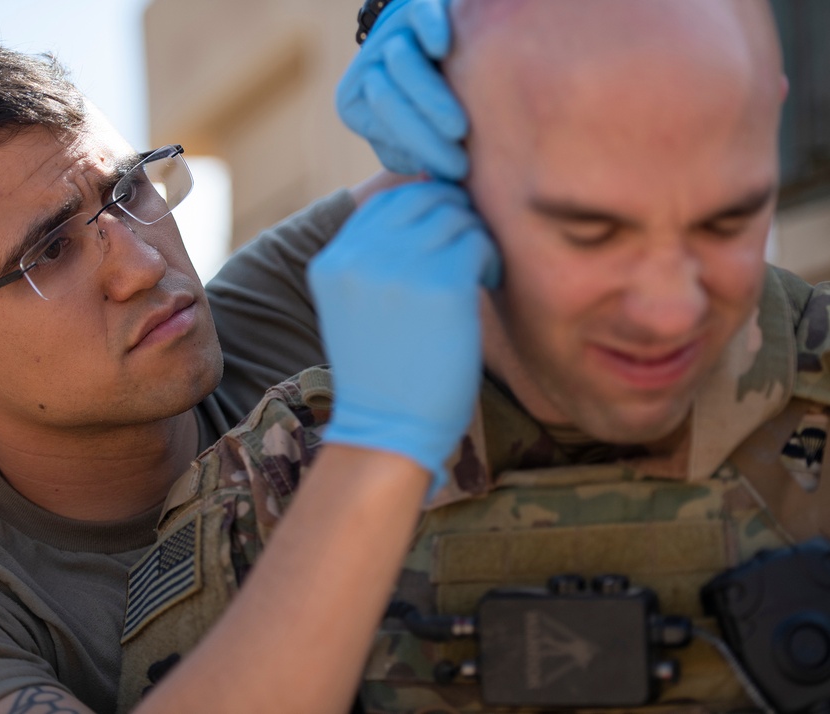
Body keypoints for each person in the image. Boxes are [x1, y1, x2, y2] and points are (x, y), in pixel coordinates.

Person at [118, 0, 830, 712]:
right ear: (435, 180)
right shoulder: (272, 486)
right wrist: (376, 462)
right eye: (590, 232)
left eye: (726, 221)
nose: (670, 307)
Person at [0, 21, 478, 712]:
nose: (143, 266)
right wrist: (378, 456)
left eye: (128, 189)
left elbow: (511, 165)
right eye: (47, 253)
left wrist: (474, 39)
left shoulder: (271, 310)